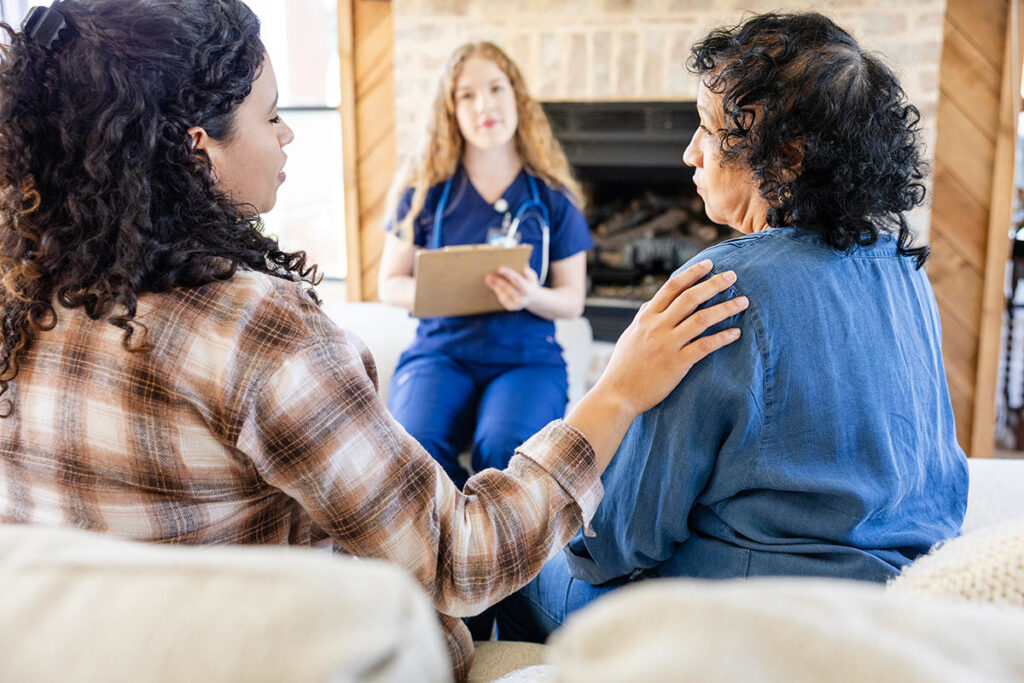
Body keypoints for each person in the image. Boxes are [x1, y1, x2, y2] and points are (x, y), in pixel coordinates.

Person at [0, 1, 747, 679]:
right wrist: (617, 390)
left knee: (489, 441)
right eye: (270, 117)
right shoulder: (260, 331)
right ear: (198, 149)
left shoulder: (20, 292)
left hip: (109, 657)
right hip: (302, 653)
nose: (288, 131)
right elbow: (459, 555)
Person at [497, 11, 970, 642]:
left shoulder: (719, 288)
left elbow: (620, 540)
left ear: (787, 159)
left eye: (708, 130)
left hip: (752, 623)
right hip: (893, 608)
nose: (689, 151)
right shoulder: (906, 270)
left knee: (515, 563)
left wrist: (554, 531)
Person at [377, 42, 592, 489]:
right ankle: (451, 545)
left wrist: (532, 295)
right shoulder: (424, 193)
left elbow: (572, 301)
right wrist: (442, 287)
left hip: (525, 359)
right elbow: (389, 285)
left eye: (496, 89)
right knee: (412, 447)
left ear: (517, 98)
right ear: (450, 111)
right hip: (442, 352)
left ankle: (498, 554)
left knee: (506, 451)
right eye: (466, 96)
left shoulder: (552, 198)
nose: (484, 106)